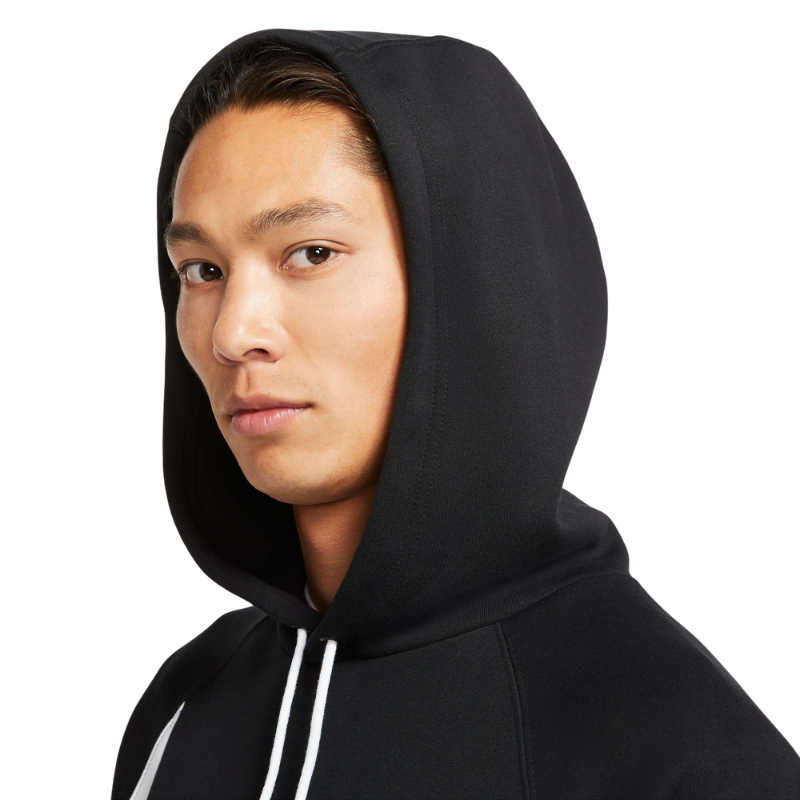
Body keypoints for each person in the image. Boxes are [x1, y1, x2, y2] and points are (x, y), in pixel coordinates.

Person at [111, 29, 800, 800]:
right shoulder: (188, 701)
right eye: (202, 269)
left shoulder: (677, 753)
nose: (233, 332)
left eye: (311, 253)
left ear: (471, 278)